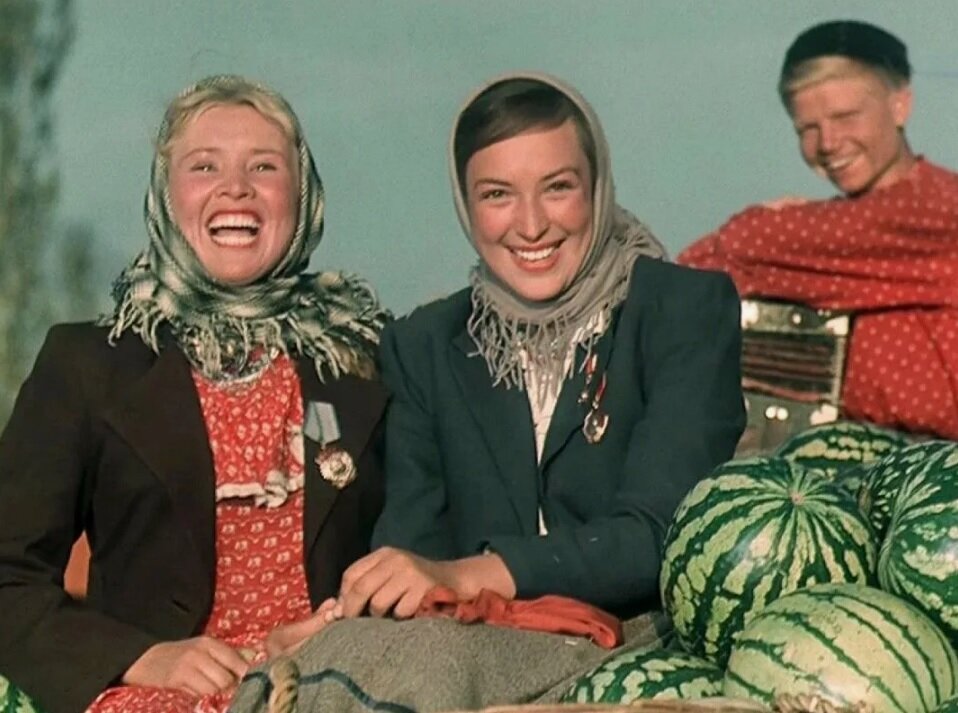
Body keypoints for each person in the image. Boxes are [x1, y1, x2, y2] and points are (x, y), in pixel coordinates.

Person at [231, 71, 745, 713]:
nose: (531, 225)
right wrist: (350, 613)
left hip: (638, 642)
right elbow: (412, 543)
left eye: (558, 188)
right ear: (466, 205)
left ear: (597, 186)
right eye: (498, 194)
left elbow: (662, 533)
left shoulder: (681, 309)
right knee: (331, 668)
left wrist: (468, 575)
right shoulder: (426, 344)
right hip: (477, 643)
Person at [0, 75, 390, 713]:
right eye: (204, 166)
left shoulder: (365, 359)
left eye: (264, 166)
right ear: (165, 195)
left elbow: (428, 549)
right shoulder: (88, 366)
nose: (236, 187)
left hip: (338, 688)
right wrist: (139, 657)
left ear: (303, 195)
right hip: (157, 698)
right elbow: (8, 577)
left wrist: (343, 628)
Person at [679, 20, 958, 439]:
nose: (827, 142)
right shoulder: (830, 241)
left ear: (900, 105)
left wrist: (778, 221)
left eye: (846, 117)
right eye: (807, 129)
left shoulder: (935, 211)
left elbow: (739, 247)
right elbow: (697, 275)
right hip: (867, 452)